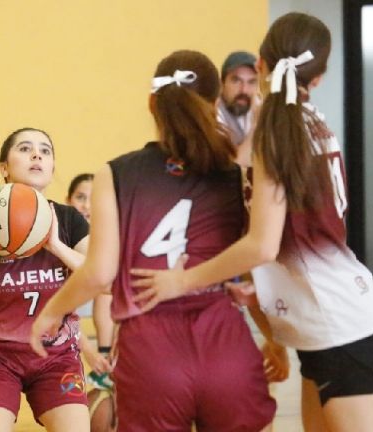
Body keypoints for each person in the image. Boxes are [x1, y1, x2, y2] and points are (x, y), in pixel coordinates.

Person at [130, 13, 373, 432]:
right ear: (321, 77)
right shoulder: (297, 125)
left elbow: (262, 244)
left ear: (260, 65)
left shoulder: (277, 134)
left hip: (347, 333)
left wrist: (181, 280)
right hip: (332, 328)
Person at [31, 51, 278, 431]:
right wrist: (273, 336)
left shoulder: (115, 174)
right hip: (225, 342)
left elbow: (99, 274)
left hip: (150, 350)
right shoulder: (235, 174)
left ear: (152, 103)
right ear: (215, 103)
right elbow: (252, 268)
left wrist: (50, 312)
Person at [0, 128, 90, 432]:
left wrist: (55, 245)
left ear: (52, 169)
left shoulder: (69, 221)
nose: (37, 155)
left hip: (57, 355)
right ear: (4, 168)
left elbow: (101, 279)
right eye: (25, 148)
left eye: (45, 150)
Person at [66, 173, 114, 390]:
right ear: (68, 201)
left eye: (93, 199)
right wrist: (88, 352)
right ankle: (98, 359)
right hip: (57, 317)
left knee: (107, 288)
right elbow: (62, 310)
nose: (86, 205)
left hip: (93, 295)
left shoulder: (108, 238)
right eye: (80, 197)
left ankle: (107, 357)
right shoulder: (62, 238)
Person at [218, 51, 261, 166]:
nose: (244, 90)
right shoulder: (210, 114)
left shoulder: (260, 108)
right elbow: (234, 167)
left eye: (252, 82)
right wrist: (257, 125)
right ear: (222, 84)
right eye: (236, 80)